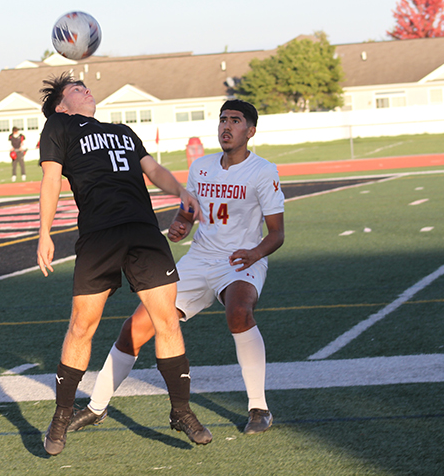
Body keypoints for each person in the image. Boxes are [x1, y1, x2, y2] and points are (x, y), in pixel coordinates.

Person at [68, 99, 285, 436]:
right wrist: (180, 225)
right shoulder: (201, 166)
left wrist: (256, 253)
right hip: (199, 260)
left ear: (250, 131)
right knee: (135, 327)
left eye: (236, 121)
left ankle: (259, 408)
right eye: (223, 119)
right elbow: (187, 213)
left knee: (239, 312)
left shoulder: (263, 170)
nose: (226, 126)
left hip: (239, 261)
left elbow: (277, 233)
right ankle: (96, 406)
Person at [37, 73, 209, 456]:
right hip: (99, 234)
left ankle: (180, 411)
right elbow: (51, 180)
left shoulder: (123, 131)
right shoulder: (59, 125)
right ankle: (62, 414)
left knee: (166, 320)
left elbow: (152, 169)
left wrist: (182, 190)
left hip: (143, 232)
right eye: (76, 88)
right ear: (63, 105)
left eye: (85, 85)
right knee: (83, 325)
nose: (85, 88)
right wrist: (45, 232)